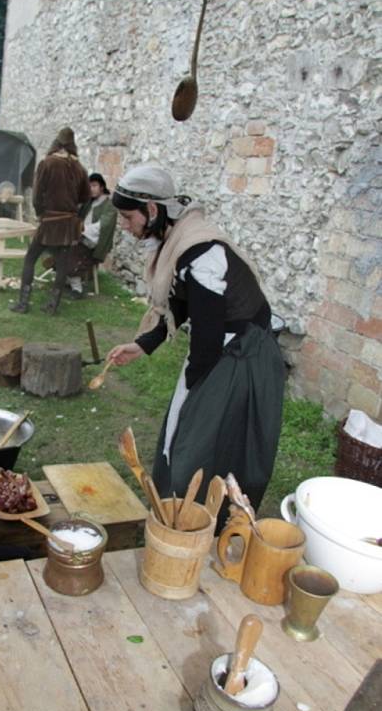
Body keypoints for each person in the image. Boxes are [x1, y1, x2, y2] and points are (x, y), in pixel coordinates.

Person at [108, 165, 285, 531]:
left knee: (197, 440)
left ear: (153, 211)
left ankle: (203, 522)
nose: (124, 225)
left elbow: (205, 345)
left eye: (128, 216)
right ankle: (177, 513)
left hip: (244, 357)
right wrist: (143, 344)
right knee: (188, 433)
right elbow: (182, 304)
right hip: (221, 348)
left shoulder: (201, 251)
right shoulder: (178, 240)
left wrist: (192, 389)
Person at [11, 126, 90, 315]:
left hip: (50, 221)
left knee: (31, 258)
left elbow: (37, 195)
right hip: (68, 223)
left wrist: (41, 214)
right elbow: (85, 197)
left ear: (56, 142)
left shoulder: (47, 163)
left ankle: (23, 303)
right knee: (62, 263)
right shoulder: (80, 168)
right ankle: (52, 306)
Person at [66, 172, 118, 299]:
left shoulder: (109, 205)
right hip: (82, 236)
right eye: (89, 186)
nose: (91, 189)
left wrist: (82, 230)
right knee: (61, 245)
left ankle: (77, 288)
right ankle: (69, 276)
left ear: (102, 187)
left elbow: (103, 226)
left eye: (94, 186)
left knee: (72, 249)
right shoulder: (89, 202)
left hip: (96, 242)